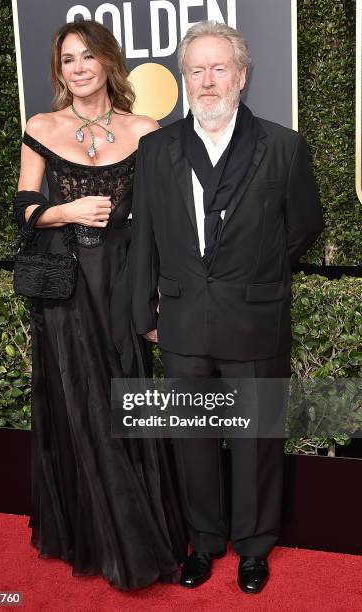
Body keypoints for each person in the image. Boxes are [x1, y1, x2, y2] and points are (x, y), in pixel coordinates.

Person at [130, 20, 324, 593]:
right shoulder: (156, 149)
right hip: (183, 322)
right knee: (192, 441)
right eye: (197, 70)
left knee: (255, 441)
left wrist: (254, 276)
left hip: (255, 319)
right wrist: (146, 311)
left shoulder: (283, 146)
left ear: (241, 75)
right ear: (184, 79)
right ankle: (206, 542)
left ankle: (255, 548)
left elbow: (303, 227)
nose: (208, 80)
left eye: (219, 68)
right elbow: (146, 239)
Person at [14, 19, 186, 590]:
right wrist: (66, 211)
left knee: (124, 394)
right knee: (79, 400)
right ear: (59, 71)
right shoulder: (41, 126)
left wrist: (158, 292)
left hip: (122, 283)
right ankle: (107, 536)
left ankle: (138, 525)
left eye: (88, 56)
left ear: (110, 62)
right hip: (64, 287)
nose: (79, 68)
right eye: (68, 60)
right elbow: (23, 213)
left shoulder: (146, 129)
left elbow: (164, 222)